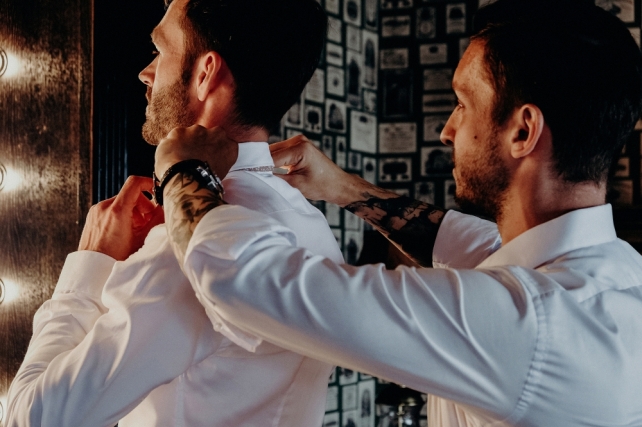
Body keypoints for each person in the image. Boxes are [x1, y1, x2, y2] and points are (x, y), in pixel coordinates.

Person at [149, 0, 642, 426]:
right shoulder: (607, 276)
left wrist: (182, 168)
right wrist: (344, 188)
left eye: (462, 104)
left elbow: (246, 282)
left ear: (523, 131)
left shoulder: (531, 326)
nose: (448, 131)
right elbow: (467, 242)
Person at [6, 0, 343, 426]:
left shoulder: (191, 252)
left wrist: (90, 266)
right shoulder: (310, 223)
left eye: (160, 50)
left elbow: (34, 418)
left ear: (205, 74)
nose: (145, 73)